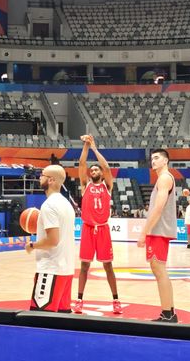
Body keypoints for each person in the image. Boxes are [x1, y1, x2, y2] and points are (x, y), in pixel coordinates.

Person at [75, 134, 121, 315]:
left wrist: (94, 147)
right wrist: (86, 146)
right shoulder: (85, 185)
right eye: (92, 170)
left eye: (96, 170)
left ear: (101, 174)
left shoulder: (107, 186)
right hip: (87, 229)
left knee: (108, 266)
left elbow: (107, 167)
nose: (94, 171)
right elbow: (81, 164)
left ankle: (116, 299)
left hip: (102, 229)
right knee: (84, 266)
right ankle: (79, 299)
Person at [25, 164, 75, 313]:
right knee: (62, 322)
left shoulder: (49, 205)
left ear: (51, 180)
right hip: (66, 270)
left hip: (51, 270)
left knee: (40, 320)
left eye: (42, 175)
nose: (40, 178)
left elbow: (53, 240)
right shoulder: (67, 204)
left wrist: (32, 245)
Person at [137, 149, 178, 323]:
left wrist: (144, 232)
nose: (153, 161)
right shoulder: (163, 179)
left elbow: (158, 208)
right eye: (151, 158)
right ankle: (169, 312)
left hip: (159, 230)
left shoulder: (165, 178)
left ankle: (168, 314)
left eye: (157, 158)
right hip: (159, 230)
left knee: (160, 270)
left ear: (166, 160)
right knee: (159, 270)